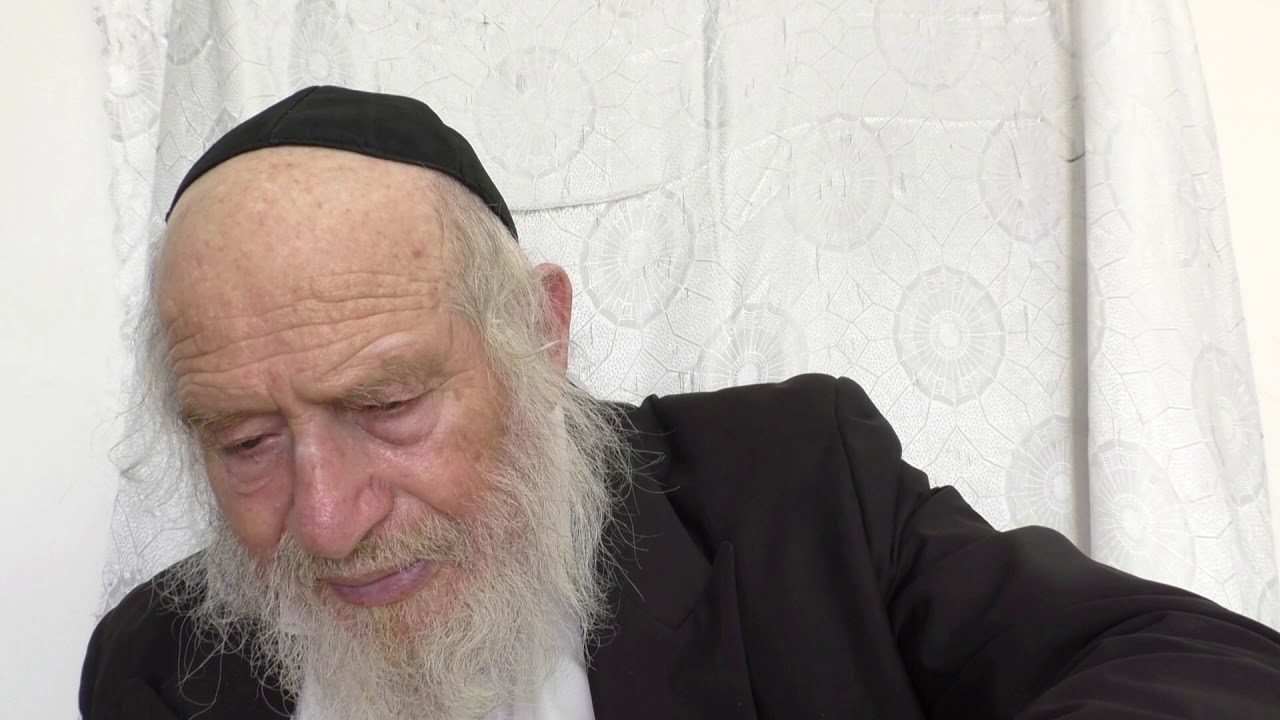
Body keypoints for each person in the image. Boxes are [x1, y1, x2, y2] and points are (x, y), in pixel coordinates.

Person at [80, 85, 1280, 720]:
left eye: (388, 404)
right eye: (244, 440)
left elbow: (1207, 670)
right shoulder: (156, 670)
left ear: (538, 336)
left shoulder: (793, 485)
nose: (327, 521)